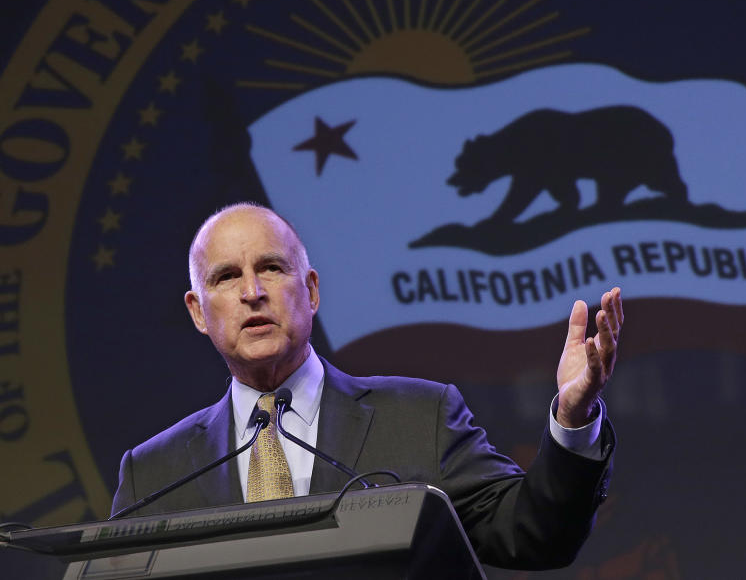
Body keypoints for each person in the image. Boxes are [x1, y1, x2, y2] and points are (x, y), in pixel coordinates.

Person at [111, 203, 622, 569]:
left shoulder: (421, 416)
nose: (252, 292)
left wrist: (573, 420)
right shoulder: (153, 473)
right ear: (199, 312)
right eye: (226, 277)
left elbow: (534, 537)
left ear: (310, 290)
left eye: (272, 267)